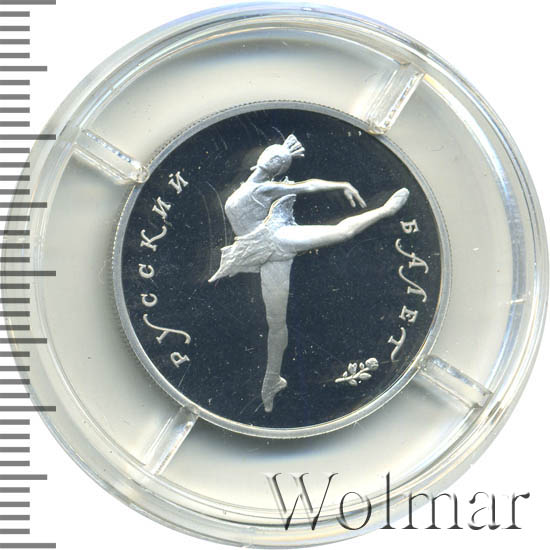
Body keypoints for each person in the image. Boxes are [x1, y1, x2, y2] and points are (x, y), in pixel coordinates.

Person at [209, 134, 409, 412]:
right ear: (261, 157)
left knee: (341, 232)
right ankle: (271, 380)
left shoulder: (265, 188)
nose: (275, 159)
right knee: (275, 322)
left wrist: (341, 184)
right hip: (261, 251)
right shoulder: (253, 187)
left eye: (280, 160)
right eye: (273, 154)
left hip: (279, 239)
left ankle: (386, 210)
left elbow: (309, 185)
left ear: (279, 169)